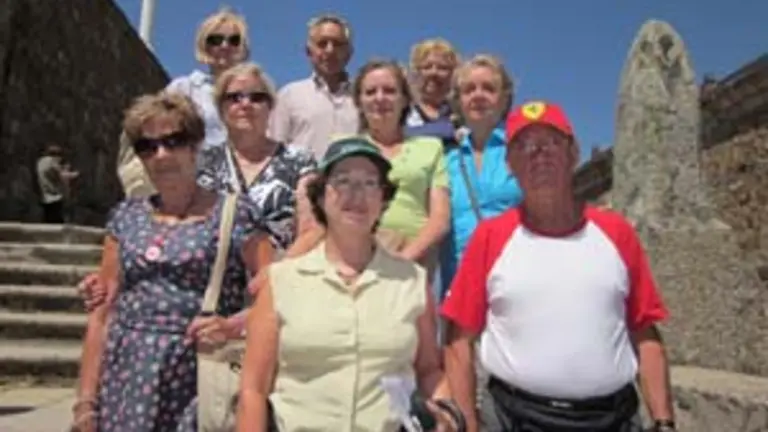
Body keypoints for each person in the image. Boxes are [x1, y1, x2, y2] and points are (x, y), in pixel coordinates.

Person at [442, 101, 676, 432]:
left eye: (551, 142)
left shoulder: (616, 232)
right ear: (509, 163)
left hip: (613, 418)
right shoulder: (491, 237)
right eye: (523, 146)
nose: (538, 154)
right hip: (515, 418)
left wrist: (664, 421)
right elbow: (458, 340)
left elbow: (645, 330)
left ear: (573, 153)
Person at [71, 92, 271, 432]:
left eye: (173, 141)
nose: (161, 154)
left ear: (195, 146)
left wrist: (232, 325)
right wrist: (86, 403)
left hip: (200, 378)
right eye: (148, 147)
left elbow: (276, 294)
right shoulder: (125, 218)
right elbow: (102, 314)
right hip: (125, 381)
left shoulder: (235, 214)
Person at [236, 136, 460, 432]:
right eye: (343, 181)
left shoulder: (412, 281)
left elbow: (429, 371)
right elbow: (253, 389)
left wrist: (447, 414)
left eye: (369, 183)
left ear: (384, 199)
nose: (357, 194)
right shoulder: (281, 281)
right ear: (320, 197)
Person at [117, 8, 251, 197]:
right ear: (204, 46)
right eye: (215, 40)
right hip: (189, 186)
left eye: (233, 40)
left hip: (234, 189)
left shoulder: (254, 96)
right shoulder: (186, 88)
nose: (224, 45)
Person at [197, 62, 317, 252]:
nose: (245, 104)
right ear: (221, 108)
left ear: (270, 107)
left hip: (281, 268)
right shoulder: (203, 162)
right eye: (234, 97)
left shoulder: (300, 160)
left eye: (257, 97)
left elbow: (311, 227)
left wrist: (279, 271)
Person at [439, 54, 523, 299]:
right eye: (469, 89)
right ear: (458, 100)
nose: (478, 95)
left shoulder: (522, 152)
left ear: (504, 98)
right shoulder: (444, 161)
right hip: (459, 290)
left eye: (489, 88)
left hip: (515, 285)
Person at [267, 14, 358, 158]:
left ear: (349, 53)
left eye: (337, 44)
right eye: (322, 43)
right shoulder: (289, 96)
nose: (330, 50)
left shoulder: (364, 98)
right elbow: (273, 151)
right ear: (309, 52)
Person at [405, 38, 461, 144]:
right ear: (416, 73)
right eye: (427, 67)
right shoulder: (402, 114)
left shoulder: (462, 116)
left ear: (453, 75)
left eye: (442, 68)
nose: (434, 73)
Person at [36, 143, 79, 223]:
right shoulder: (51, 161)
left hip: (44, 196)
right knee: (57, 224)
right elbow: (62, 175)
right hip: (54, 198)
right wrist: (75, 174)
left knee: (47, 221)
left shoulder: (41, 162)